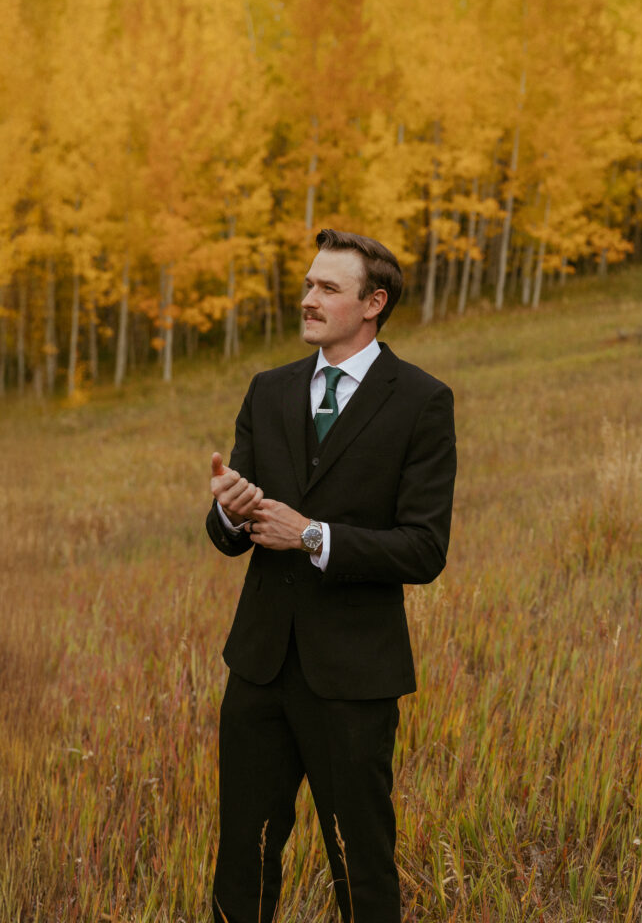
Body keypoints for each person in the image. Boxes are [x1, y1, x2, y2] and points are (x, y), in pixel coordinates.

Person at [206, 228, 456, 923]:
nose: (308, 299)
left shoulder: (422, 401)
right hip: (257, 668)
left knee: (360, 865)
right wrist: (230, 512)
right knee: (244, 857)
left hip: (355, 678)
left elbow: (423, 549)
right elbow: (228, 535)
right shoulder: (268, 390)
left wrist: (312, 536)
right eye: (308, 284)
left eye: (327, 288)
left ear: (373, 303)